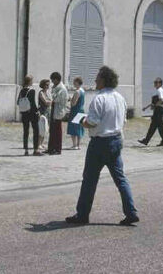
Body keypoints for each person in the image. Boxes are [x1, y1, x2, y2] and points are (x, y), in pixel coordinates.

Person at [66, 66, 139, 226]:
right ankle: (131, 211)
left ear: (104, 80)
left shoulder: (99, 99)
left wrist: (82, 121)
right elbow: (124, 120)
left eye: (98, 78)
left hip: (100, 142)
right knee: (120, 178)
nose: (95, 80)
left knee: (90, 180)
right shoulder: (120, 98)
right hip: (116, 139)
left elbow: (92, 122)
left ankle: (82, 214)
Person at [139, 77, 163, 147]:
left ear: (160, 84)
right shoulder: (157, 90)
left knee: (155, 126)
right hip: (157, 110)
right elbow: (154, 102)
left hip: (159, 110)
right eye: (154, 82)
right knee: (158, 127)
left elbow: (161, 100)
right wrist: (146, 107)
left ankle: (147, 140)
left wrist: (155, 106)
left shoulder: (160, 90)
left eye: (156, 82)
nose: (155, 84)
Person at [17, 75, 41, 156]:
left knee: (26, 131)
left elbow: (18, 102)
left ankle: (26, 149)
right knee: (36, 131)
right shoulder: (32, 91)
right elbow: (33, 104)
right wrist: (37, 111)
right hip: (32, 113)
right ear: (30, 81)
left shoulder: (22, 91)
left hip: (24, 113)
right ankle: (35, 149)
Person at [47, 72, 68, 155]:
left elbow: (55, 99)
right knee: (52, 130)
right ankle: (51, 148)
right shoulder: (55, 87)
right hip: (53, 110)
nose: (52, 82)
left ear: (56, 79)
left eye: (53, 80)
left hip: (58, 111)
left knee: (57, 131)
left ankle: (57, 149)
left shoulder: (62, 89)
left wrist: (50, 97)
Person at [67, 77, 85, 150]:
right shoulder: (82, 90)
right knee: (79, 127)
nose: (74, 83)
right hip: (81, 110)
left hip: (75, 111)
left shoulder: (77, 91)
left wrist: (70, 101)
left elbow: (74, 103)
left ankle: (74, 145)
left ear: (77, 82)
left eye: (74, 82)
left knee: (73, 127)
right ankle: (78, 145)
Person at [37, 79, 51, 152]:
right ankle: (38, 144)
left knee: (45, 129)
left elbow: (50, 101)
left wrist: (50, 101)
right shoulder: (41, 93)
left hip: (47, 112)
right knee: (41, 128)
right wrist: (51, 102)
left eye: (48, 85)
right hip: (42, 112)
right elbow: (46, 102)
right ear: (43, 85)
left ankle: (41, 143)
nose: (47, 86)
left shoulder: (47, 93)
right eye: (46, 85)